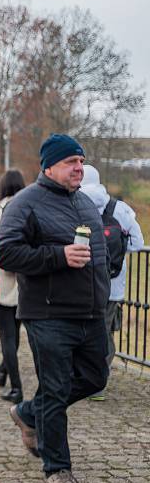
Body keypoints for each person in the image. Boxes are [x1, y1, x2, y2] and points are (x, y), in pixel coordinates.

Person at [0, 134, 110, 483]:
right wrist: (58, 256)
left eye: (81, 160)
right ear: (48, 166)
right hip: (47, 313)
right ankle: (57, 468)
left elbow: (100, 253)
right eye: (70, 161)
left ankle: (28, 412)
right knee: (56, 388)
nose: (78, 167)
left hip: (90, 312)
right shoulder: (26, 203)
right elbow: (4, 252)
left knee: (95, 377)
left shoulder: (85, 202)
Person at [79, 164, 144, 400]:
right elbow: (137, 243)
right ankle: (98, 383)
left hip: (82, 282)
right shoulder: (120, 209)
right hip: (113, 285)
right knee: (104, 332)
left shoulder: (74, 204)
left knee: (80, 330)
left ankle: (80, 377)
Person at [0, 169, 27, 404]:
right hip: (25, 283)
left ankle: (16, 387)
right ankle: (2, 369)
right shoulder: (28, 209)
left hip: (0, 282)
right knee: (15, 335)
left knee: (7, 337)